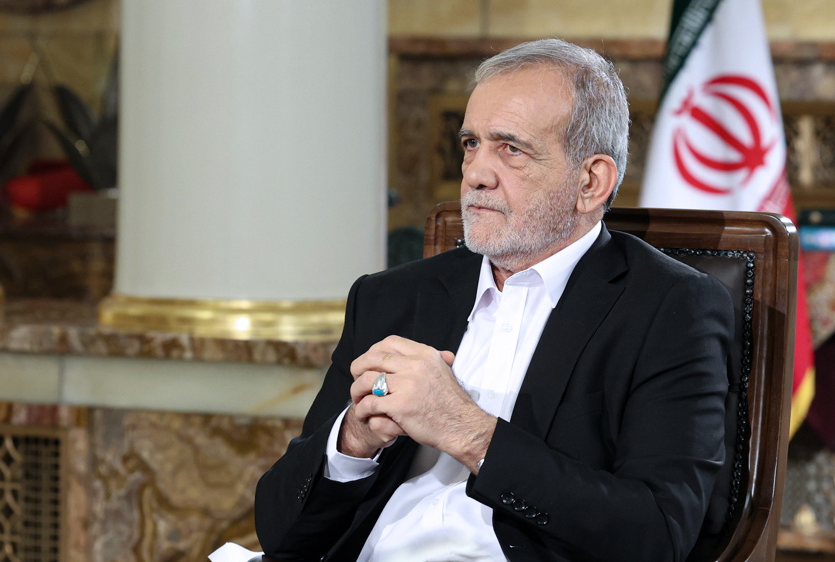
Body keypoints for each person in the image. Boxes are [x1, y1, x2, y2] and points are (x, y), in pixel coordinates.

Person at [254, 39, 732, 562]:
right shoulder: (391, 296)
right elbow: (280, 532)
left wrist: (470, 433)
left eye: (510, 149)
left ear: (590, 182)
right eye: (470, 144)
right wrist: (352, 443)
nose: (476, 174)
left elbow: (657, 535)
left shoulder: (669, 309)